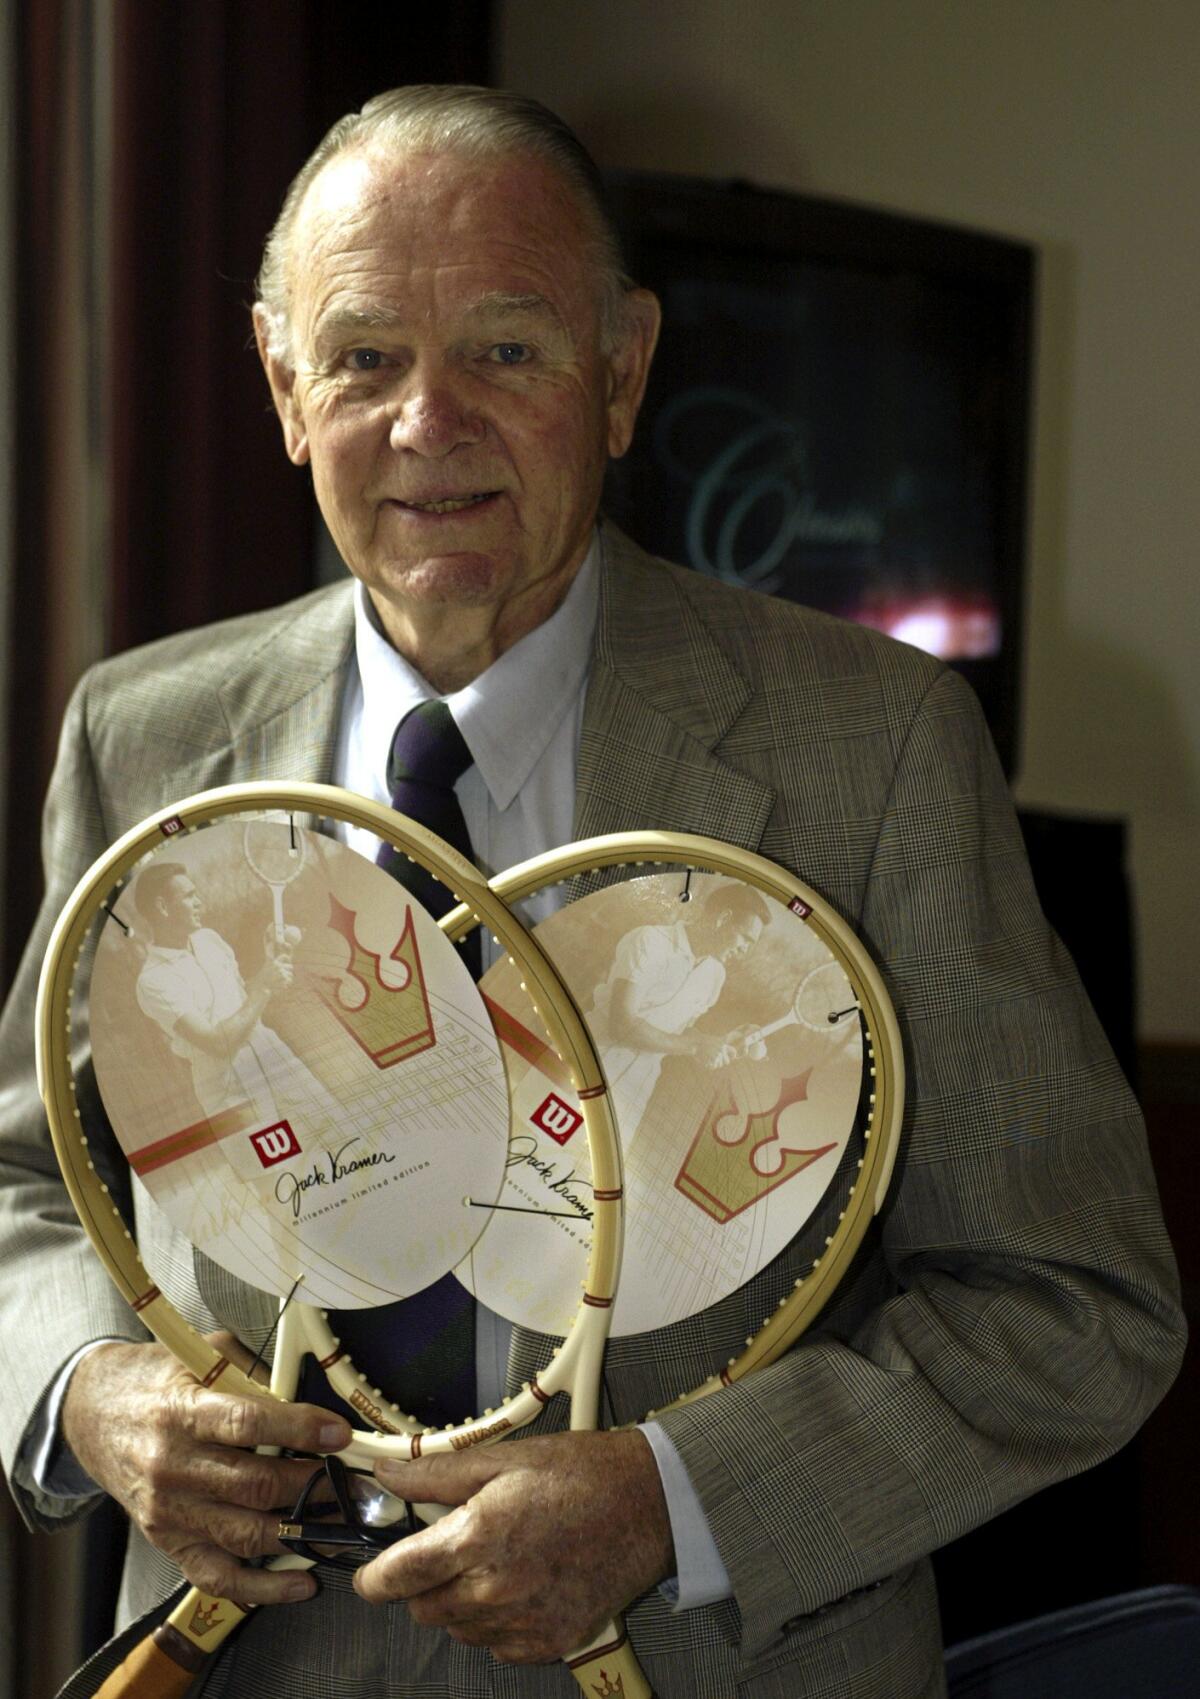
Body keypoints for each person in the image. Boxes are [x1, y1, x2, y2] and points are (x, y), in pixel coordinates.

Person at [0, 86, 1184, 1699]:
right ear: (283, 389)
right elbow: (28, 1186)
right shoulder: (142, 739)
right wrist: (88, 1387)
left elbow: (1077, 1304)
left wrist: (671, 1504)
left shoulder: (878, 748)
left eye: (505, 349)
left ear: (622, 374)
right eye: (361, 358)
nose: (429, 422)